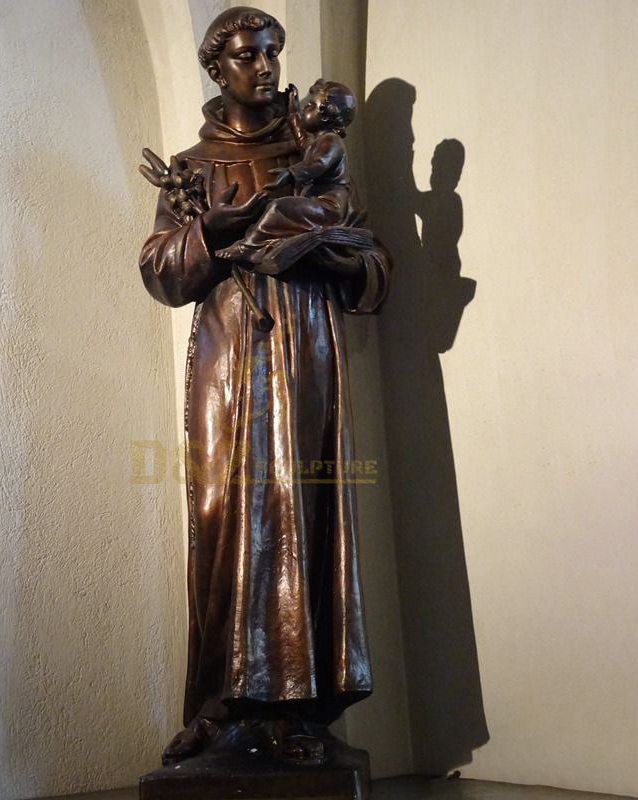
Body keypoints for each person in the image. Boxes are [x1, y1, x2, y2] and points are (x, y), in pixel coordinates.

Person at [138, 5, 389, 766]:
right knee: (225, 517)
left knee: (303, 507)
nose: (266, 67)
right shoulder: (192, 166)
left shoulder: (317, 149)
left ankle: (297, 713)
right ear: (218, 68)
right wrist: (213, 229)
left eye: (274, 53)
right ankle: (223, 706)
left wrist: (344, 259)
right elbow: (160, 271)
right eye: (248, 55)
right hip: (227, 362)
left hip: (307, 351)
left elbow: (369, 255)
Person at [216, 79, 370, 275]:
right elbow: (304, 144)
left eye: (310, 106)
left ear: (325, 115)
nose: (306, 110)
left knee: (279, 207)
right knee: (277, 209)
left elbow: (317, 165)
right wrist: (293, 115)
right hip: (319, 202)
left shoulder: (332, 142)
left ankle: (249, 247)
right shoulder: (319, 142)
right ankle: (257, 244)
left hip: (329, 206)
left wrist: (290, 173)